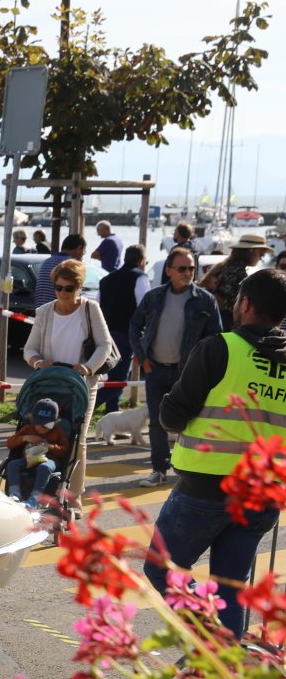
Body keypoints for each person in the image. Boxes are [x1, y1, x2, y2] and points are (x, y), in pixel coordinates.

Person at [145, 268, 286, 637]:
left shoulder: (220, 348)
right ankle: (226, 660)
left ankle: (216, 643)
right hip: (264, 492)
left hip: (206, 488)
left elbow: (172, 416)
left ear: (246, 303)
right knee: (231, 585)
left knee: (161, 568)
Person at [127, 246, 222, 488]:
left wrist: (201, 367)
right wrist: (142, 357)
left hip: (188, 372)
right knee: (158, 421)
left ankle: (187, 471)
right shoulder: (154, 297)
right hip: (155, 369)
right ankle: (159, 470)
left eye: (191, 268)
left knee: (191, 421)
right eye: (182, 268)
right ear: (169, 270)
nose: (188, 273)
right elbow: (134, 326)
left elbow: (216, 338)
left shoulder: (205, 300)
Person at [25, 258, 114, 498]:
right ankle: (43, 489)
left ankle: (73, 497)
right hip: (49, 384)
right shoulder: (45, 312)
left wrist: (88, 367)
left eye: (69, 288)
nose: (63, 293)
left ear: (79, 287)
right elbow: (29, 348)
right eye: (59, 287)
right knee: (43, 435)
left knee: (77, 440)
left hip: (81, 386)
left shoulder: (90, 309)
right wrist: (38, 362)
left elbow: (105, 344)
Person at [96, 244, 151, 414]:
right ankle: (83, 408)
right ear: (141, 261)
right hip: (126, 333)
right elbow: (145, 308)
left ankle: (111, 414)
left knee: (112, 379)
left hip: (105, 333)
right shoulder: (140, 277)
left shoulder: (106, 279)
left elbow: (98, 306)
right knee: (118, 381)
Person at [3, 398, 70, 509]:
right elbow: (10, 443)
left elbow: (64, 450)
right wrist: (24, 438)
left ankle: (35, 498)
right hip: (29, 458)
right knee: (12, 465)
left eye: (47, 425)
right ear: (33, 419)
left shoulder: (58, 432)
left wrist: (50, 446)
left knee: (44, 467)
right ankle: (15, 493)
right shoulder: (28, 429)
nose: (42, 428)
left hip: (50, 459)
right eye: (39, 424)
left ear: (54, 422)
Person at [199, 232, 272, 329]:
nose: (261, 258)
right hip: (226, 323)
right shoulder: (238, 273)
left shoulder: (228, 267)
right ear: (252, 251)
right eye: (261, 254)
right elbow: (226, 302)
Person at [32, 233, 86, 308]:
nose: (82, 255)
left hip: (40, 308)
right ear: (79, 248)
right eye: (84, 252)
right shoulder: (71, 265)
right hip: (58, 310)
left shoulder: (47, 261)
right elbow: (76, 295)